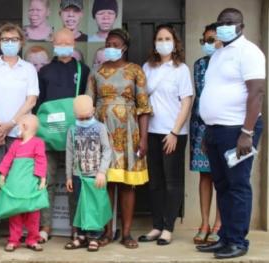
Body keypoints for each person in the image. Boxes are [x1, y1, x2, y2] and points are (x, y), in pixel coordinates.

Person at [197, 8, 265, 259]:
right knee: (222, 184)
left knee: (237, 185)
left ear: (241, 26)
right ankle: (225, 236)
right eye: (221, 22)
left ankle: (237, 241)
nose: (225, 26)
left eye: (230, 23)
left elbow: (257, 92)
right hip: (216, 130)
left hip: (238, 129)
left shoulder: (249, 52)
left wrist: (247, 132)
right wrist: (207, 131)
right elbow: (214, 90)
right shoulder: (218, 53)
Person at [86, 28, 152, 249]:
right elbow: (88, 105)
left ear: (124, 47)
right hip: (101, 132)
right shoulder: (96, 72)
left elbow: (143, 107)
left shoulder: (135, 71)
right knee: (104, 184)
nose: (110, 48)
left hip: (129, 134)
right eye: (108, 44)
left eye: (115, 44)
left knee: (126, 184)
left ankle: (126, 233)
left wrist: (144, 138)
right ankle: (107, 231)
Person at [0, 23, 39, 240]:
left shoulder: (29, 69)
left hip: (20, 133)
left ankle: (20, 226)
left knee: (18, 178)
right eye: (5, 39)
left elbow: (31, 99)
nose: (10, 43)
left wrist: (10, 124)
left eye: (14, 39)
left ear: (21, 42)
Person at [140, 24, 193, 246]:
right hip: (151, 132)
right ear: (154, 43)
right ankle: (156, 225)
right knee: (155, 182)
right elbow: (142, 100)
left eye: (167, 38)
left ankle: (168, 228)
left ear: (174, 42)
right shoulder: (147, 67)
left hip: (173, 134)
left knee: (172, 182)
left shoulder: (181, 69)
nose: (163, 42)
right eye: (159, 39)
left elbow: (186, 101)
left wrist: (174, 132)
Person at [36, 28, 90, 243]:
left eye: (68, 42)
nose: (64, 45)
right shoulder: (44, 71)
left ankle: (75, 227)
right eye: (60, 42)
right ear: (53, 43)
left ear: (74, 43)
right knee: (46, 180)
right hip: (48, 136)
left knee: (74, 182)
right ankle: (45, 226)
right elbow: (38, 105)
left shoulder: (83, 70)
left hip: (74, 136)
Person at [64, 95, 112, 252]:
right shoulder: (72, 129)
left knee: (95, 206)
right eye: (81, 117)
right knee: (79, 205)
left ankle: (94, 236)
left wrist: (102, 172)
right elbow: (69, 154)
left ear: (93, 111)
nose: (84, 120)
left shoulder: (100, 128)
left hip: (95, 176)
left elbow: (107, 150)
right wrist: (69, 176)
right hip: (79, 176)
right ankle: (81, 235)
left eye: (87, 116)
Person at [191, 23, 222, 245]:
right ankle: (204, 222)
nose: (207, 45)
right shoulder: (199, 64)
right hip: (201, 125)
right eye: (204, 41)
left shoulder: (229, 63)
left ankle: (219, 224)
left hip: (223, 125)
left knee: (222, 177)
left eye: (211, 40)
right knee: (205, 175)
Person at [0, 114, 47, 252]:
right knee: (15, 213)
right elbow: (7, 159)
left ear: (24, 127)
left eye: (18, 126)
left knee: (33, 214)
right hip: (15, 185)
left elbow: (41, 160)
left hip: (31, 185)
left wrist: (42, 178)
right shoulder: (15, 144)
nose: (17, 129)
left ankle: (32, 239)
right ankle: (14, 240)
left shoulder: (38, 143)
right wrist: (2, 174)